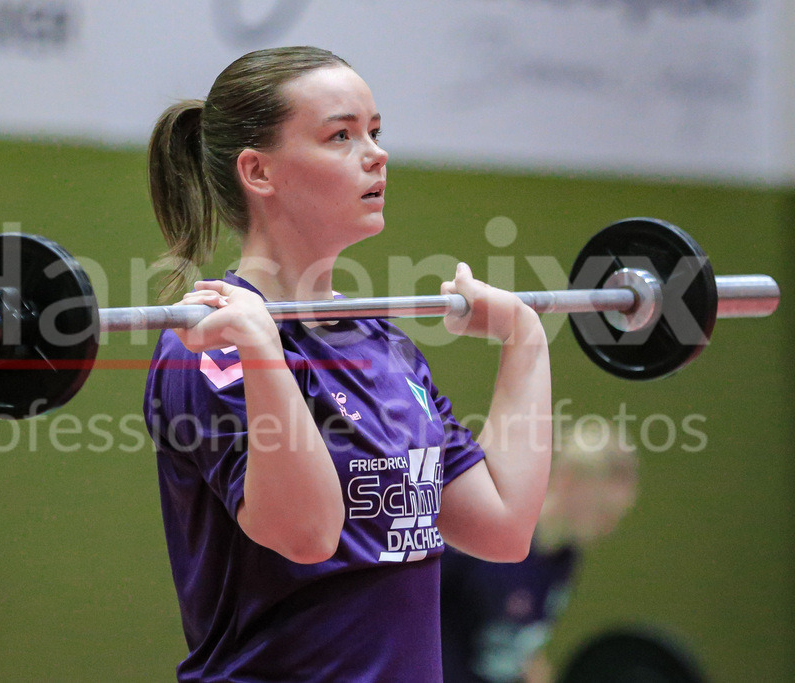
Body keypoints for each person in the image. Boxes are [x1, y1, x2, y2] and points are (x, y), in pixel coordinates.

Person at [143, 46, 552, 682]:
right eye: (341, 135)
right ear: (259, 172)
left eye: (376, 131)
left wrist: (525, 340)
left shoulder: (382, 344)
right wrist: (263, 354)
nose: (376, 153)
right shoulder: (207, 344)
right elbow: (308, 534)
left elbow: (501, 529)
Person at [440, 421, 639, 683]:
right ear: (567, 479)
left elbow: (515, 641)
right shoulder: (488, 529)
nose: (608, 528)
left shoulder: (565, 558)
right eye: (603, 511)